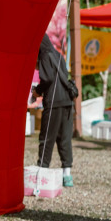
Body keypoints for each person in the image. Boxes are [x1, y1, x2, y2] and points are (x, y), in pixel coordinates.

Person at [32, 34, 74, 187]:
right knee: (64, 138)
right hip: (67, 101)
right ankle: (67, 174)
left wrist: (38, 90)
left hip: (54, 102)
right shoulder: (57, 54)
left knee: (47, 138)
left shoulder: (45, 55)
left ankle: (42, 171)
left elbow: (48, 78)